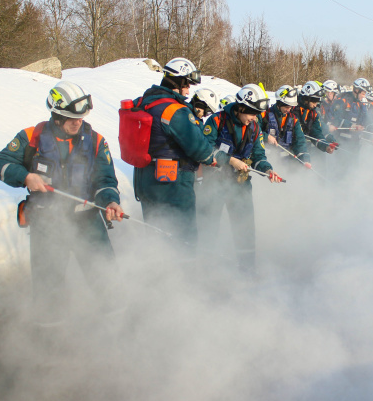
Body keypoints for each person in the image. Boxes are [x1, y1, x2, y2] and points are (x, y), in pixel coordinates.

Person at [0, 81, 124, 325]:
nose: (78, 123)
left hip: (87, 221)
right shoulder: (31, 137)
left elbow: (105, 180)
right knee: (48, 290)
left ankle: (118, 327)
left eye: (81, 118)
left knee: (106, 279)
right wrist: (25, 177)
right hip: (47, 223)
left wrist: (111, 201)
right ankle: (50, 334)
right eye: (71, 118)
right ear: (57, 115)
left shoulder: (96, 141)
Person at [132, 58, 228, 246]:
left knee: (155, 235)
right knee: (184, 237)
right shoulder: (175, 110)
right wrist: (215, 159)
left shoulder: (143, 102)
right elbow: (199, 148)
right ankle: (185, 265)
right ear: (177, 81)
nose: (188, 91)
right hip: (173, 183)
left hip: (144, 179)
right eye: (187, 85)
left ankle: (155, 264)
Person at [200, 84, 284, 273]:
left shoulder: (255, 127)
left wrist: (268, 169)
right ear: (241, 108)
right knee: (208, 225)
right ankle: (205, 270)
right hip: (214, 182)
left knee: (245, 227)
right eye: (252, 113)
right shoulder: (216, 121)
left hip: (240, 184)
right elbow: (204, 149)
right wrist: (230, 160)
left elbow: (258, 155)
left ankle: (247, 270)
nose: (255, 118)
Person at [259, 85, 311, 169]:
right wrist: (265, 136)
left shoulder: (294, 120)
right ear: (279, 103)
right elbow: (253, 133)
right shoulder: (264, 115)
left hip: (286, 164)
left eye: (290, 107)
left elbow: (300, 141)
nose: (288, 110)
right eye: (286, 107)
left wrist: (305, 159)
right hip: (266, 162)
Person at [293, 80, 338, 156]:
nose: (315, 105)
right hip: (290, 151)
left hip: (303, 149)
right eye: (314, 101)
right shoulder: (292, 109)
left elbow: (316, 132)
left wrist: (325, 146)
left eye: (317, 101)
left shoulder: (313, 113)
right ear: (307, 98)